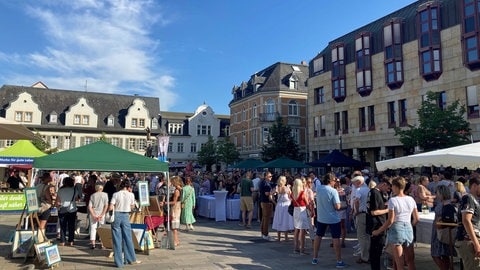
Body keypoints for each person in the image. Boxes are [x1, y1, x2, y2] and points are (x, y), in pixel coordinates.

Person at [372, 176, 418, 270]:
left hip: (397, 227)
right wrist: (410, 225)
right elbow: (417, 218)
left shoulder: (393, 200)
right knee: (410, 260)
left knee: (399, 261)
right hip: (408, 226)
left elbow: (390, 220)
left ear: (395, 186)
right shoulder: (411, 199)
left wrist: (378, 231)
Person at [311, 172, 346, 268]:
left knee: (318, 236)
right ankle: (339, 260)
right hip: (333, 218)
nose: (335, 182)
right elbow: (337, 206)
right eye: (334, 180)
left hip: (321, 217)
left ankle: (315, 258)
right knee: (335, 238)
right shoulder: (333, 191)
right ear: (330, 180)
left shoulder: (318, 188)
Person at [109, 179, 141, 268]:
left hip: (117, 215)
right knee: (128, 237)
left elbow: (111, 207)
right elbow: (132, 206)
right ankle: (130, 258)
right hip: (126, 215)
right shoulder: (131, 195)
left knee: (117, 239)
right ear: (128, 187)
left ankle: (119, 262)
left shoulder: (116, 194)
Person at [455, 176, 480, 270]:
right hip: (468, 241)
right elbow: (466, 220)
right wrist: (476, 243)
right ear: (474, 185)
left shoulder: (473, 199)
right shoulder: (468, 198)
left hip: (471, 240)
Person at [366, 177, 391, 270]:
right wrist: (388, 210)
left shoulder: (377, 193)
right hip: (377, 224)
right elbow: (374, 212)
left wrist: (385, 205)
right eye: (388, 188)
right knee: (376, 250)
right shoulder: (374, 193)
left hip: (378, 223)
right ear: (383, 184)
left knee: (377, 250)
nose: (388, 191)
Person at [431, 184, 456, 270]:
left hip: (441, 231)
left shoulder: (444, 205)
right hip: (442, 231)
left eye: (437, 193)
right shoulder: (447, 203)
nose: (436, 194)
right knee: (444, 255)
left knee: (437, 254)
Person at [351, 174, 371, 264]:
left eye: (354, 183)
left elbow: (356, 200)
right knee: (368, 236)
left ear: (359, 182)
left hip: (361, 214)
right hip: (368, 214)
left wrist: (356, 211)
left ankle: (364, 257)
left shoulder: (359, 190)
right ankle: (369, 254)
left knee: (361, 236)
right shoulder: (369, 189)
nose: (353, 185)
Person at [56, 177, 80, 246]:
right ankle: (71, 241)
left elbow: (57, 201)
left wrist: (58, 206)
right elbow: (77, 199)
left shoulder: (60, 190)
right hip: (72, 209)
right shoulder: (75, 190)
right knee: (71, 225)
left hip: (62, 209)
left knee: (62, 226)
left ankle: (62, 241)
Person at [272, 176, 293, 242]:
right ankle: (286, 237)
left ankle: (278, 237)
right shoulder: (287, 188)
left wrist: (274, 202)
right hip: (286, 205)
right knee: (285, 220)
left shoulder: (277, 188)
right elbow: (291, 196)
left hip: (279, 205)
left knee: (279, 220)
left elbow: (271, 195)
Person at [291, 178, 310, 254]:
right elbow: (307, 204)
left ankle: (296, 247)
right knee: (302, 230)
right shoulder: (302, 193)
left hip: (295, 211)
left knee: (296, 229)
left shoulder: (292, 193)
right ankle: (302, 248)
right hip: (302, 210)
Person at [37, 172, 56, 242]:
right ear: (47, 178)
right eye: (50, 178)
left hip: (37, 206)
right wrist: (52, 200)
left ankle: (40, 238)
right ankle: (40, 239)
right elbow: (48, 198)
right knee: (42, 225)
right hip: (44, 207)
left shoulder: (38, 186)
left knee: (39, 223)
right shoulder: (46, 187)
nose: (51, 179)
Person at [88, 183, 109, 249]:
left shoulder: (92, 195)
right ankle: (102, 244)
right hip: (101, 213)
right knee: (102, 228)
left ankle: (93, 244)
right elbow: (106, 205)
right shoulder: (105, 195)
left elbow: (90, 206)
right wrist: (102, 214)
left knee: (93, 228)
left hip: (94, 213)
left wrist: (94, 215)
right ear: (101, 188)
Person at [259, 171, 275, 241]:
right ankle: (265, 234)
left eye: (271, 176)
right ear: (265, 176)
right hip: (266, 202)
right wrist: (273, 192)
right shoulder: (265, 183)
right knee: (266, 219)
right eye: (269, 176)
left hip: (264, 201)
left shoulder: (264, 182)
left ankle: (263, 233)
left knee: (264, 218)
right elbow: (266, 193)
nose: (271, 177)